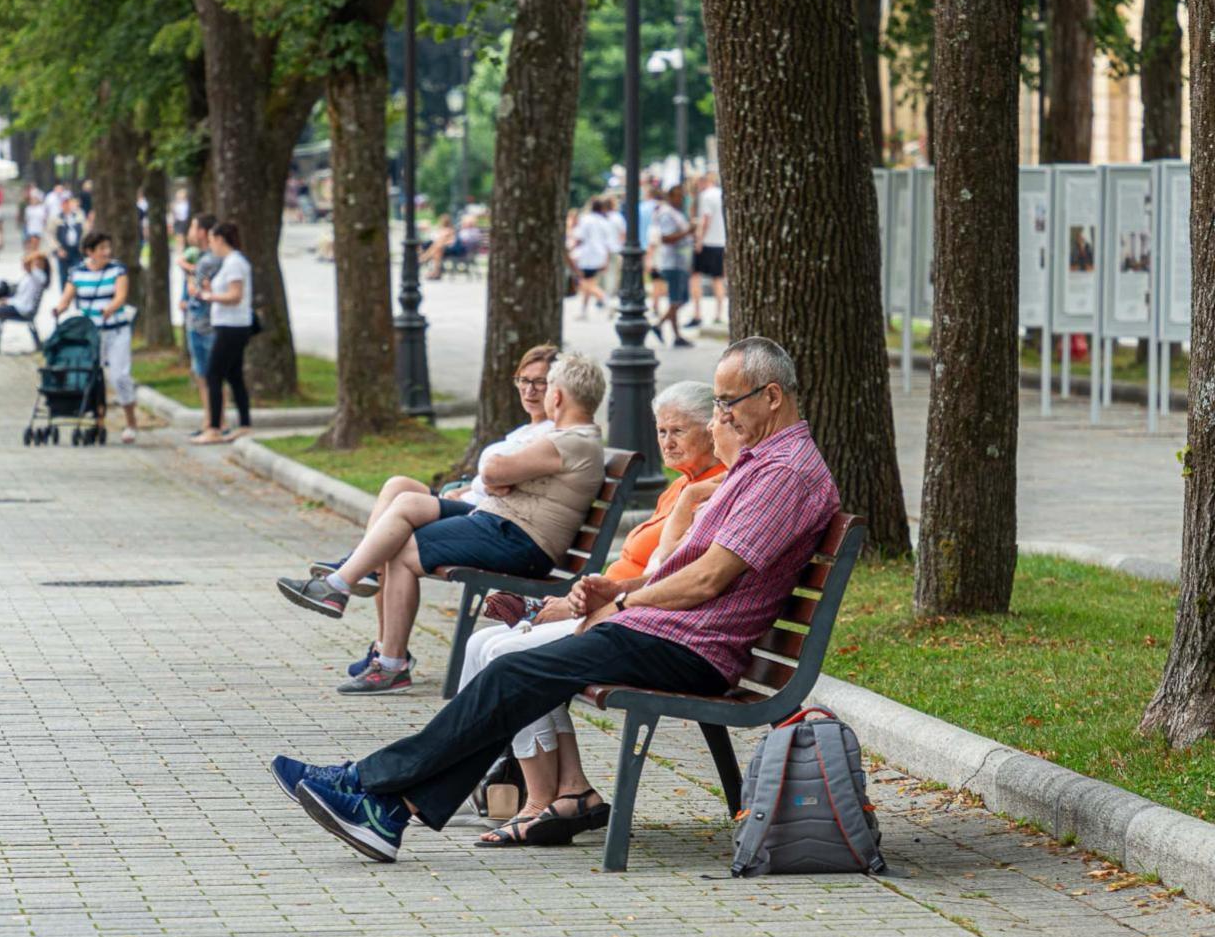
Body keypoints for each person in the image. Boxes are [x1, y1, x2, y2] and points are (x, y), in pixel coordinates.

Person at [271, 337, 837, 862]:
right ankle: (384, 806)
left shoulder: (784, 473)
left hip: (690, 646)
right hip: (668, 630)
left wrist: (620, 606)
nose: (722, 414)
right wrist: (620, 588)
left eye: (728, 401)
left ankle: (371, 790)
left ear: (771, 396)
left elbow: (708, 580)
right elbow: (691, 568)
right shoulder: (762, 463)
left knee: (514, 674)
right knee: (516, 675)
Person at [461, 381, 733, 846]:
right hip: (612, 609)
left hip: (640, 624)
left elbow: (664, 577)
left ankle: (537, 798)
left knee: (509, 654)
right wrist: (574, 601)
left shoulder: (709, 492)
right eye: (661, 430)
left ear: (711, 430)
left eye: (678, 431)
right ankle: (544, 785)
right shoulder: (680, 487)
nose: (666, 441)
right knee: (482, 643)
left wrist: (584, 604)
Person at [276, 352, 607, 696]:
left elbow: (493, 470)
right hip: (503, 526)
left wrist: (498, 471)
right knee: (405, 508)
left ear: (557, 396)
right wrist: (499, 474)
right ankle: (342, 588)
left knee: (402, 549)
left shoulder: (569, 441)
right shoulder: (572, 439)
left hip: (518, 539)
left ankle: (380, 648)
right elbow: (495, 476)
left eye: (547, 385)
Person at [316, 343, 561, 684]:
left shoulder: (551, 436)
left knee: (398, 527)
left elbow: (504, 487)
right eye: (524, 380)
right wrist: (463, 489)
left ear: (559, 389)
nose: (530, 390)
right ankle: (379, 627)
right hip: (478, 506)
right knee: (397, 485)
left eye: (541, 383)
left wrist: (476, 488)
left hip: (494, 521)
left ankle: (361, 585)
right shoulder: (525, 432)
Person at [50, 230, 140, 444]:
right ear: (89, 252)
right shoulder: (77, 272)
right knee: (91, 377)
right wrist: (59, 310)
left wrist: (110, 308)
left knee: (119, 376)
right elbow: (66, 298)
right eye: (101, 249)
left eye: (108, 248)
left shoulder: (117, 270)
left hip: (116, 329)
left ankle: (131, 422)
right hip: (90, 333)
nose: (106, 252)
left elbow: (121, 296)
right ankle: (98, 421)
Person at [187, 221, 253, 445]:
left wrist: (209, 297)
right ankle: (244, 423)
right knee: (234, 375)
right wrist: (210, 289)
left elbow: (235, 295)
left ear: (220, 240)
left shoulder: (235, 263)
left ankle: (214, 427)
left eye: (213, 240)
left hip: (232, 326)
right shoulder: (229, 263)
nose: (211, 245)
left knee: (214, 375)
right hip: (227, 323)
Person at [178, 213, 220, 434]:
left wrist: (188, 276)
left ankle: (216, 422)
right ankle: (210, 420)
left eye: (193, 227)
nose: (190, 232)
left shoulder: (209, 259)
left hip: (206, 323)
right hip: (198, 321)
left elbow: (197, 289)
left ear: (203, 232)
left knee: (210, 374)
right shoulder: (201, 258)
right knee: (202, 374)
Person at [647, 185, 696, 348]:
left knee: (678, 300)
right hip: (672, 262)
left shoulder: (676, 213)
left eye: (683, 196)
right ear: (670, 197)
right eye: (679, 196)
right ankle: (660, 325)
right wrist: (687, 232)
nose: (681, 199)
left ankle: (675, 334)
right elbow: (666, 238)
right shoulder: (667, 213)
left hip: (680, 261)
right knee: (678, 299)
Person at [691, 171, 727, 328]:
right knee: (718, 278)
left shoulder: (706, 196)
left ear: (702, 182)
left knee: (694, 276)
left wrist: (699, 240)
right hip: (721, 242)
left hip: (707, 242)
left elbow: (706, 219)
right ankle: (719, 313)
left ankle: (697, 313)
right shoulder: (721, 194)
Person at [569, 197, 612, 317]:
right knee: (590, 281)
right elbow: (608, 243)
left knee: (584, 282)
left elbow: (579, 237)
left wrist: (571, 250)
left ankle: (604, 299)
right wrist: (606, 260)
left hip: (586, 256)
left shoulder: (586, 220)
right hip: (600, 256)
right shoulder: (605, 221)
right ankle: (584, 310)